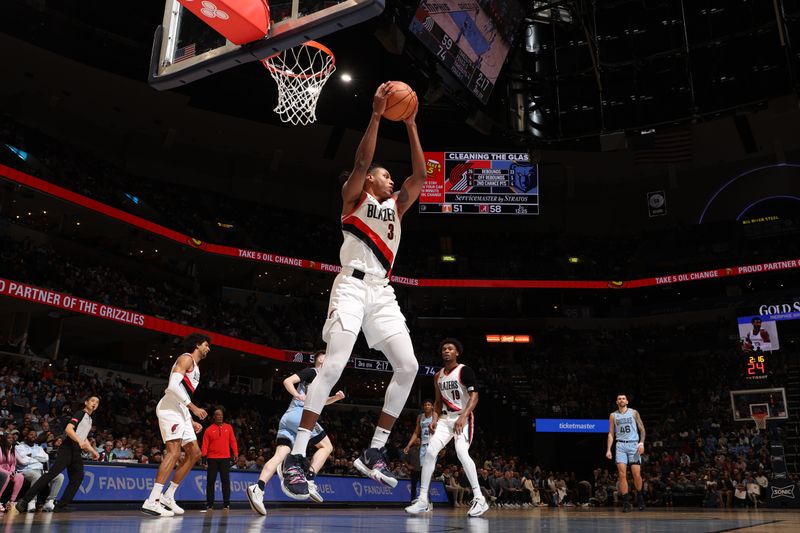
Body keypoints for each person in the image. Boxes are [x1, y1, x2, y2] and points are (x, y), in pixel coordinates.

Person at [279, 81, 426, 500]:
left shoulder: (397, 206)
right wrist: (378, 115)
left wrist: (412, 124)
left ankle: (374, 450)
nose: (389, 176)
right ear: (369, 181)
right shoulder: (353, 200)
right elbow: (362, 159)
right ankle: (297, 457)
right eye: (384, 174)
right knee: (334, 365)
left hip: (383, 292)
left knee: (409, 366)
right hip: (351, 286)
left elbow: (419, 175)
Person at [247, 351, 345, 514]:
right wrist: (296, 395)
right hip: (300, 416)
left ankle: (258, 489)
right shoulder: (313, 372)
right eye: (325, 357)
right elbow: (288, 381)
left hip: (288, 420)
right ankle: (309, 480)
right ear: (319, 360)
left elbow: (320, 403)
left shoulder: (321, 380)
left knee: (279, 456)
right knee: (326, 447)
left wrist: (335, 398)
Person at [406, 338, 489, 517]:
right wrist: (435, 419)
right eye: (444, 349)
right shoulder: (438, 375)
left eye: (450, 349)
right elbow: (437, 402)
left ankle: (479, 498)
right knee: (429, 452)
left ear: (457, 352)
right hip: (444, 419)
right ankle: (422, 500)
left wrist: (464, 416)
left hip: (463, 417)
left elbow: (474, 397)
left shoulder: (464, 370)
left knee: (461, 452)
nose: (446, 351)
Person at [141, 333, 210, 517]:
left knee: (195, 453)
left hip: (181, 411)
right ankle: (152, 500)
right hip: (170, 408)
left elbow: (183, 393)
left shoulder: (196, 368)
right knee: (174, 452)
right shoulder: (186, 359)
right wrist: (193, 408)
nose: (208, 349)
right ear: (197, 345)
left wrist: (189, 417)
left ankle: (168, 496)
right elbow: (172, 387)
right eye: (206, 345)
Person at [16, 396, 100, 513]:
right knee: (51, 474)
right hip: (67, 448)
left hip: (76, 451)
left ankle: (61, 506)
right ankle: (25, 500)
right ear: (86, 402)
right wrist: (79, 441)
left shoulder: (90, 419)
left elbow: (84, 438)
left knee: (77, 478)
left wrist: (93, 451)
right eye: (92, 401)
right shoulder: (80, 414)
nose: (94, 403)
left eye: (97, 402)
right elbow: (69, 429)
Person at [605, 393, 646, 512]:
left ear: (627, 401)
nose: (621, 400)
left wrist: (641, 442)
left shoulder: (633, 412)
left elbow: (642, 429)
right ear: (617, 402)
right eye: (619, 399)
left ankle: (640, 498)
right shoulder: (613, 415)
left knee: (636, 474)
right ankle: (626, 502)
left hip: (633, 444)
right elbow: (611, 433)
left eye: (623, 398)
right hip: (620, 445)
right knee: (622, 475)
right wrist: (608, 449)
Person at [15, 429, 63, 512]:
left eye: (35, 435)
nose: (33, 436)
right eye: (31, 434)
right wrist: (37, 458)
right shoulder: (19, 447)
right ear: (26, 436)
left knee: (59, 476)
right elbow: (23, 462)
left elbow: (46, 458)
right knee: (36, 476)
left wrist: (32, 456)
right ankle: (31, 501)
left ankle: (49, 501)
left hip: (40, 470)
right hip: (26, 470)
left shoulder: (39, 447)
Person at [201, 407, 238, 511]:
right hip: (212, 459)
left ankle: (226, 504)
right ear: (214, 417)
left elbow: (233, 441)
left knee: (225, 482)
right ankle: (210, 504)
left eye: (221, 414)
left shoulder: (229, 427)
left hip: (225, 459)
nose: (220, 416)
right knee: (210, 482)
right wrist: (204, 459)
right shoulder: (208, 430)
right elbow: (205, 445)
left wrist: (235, 453)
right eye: (217, 415)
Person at [403, 399, 436, 502]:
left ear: (432, 407)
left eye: (429, 404)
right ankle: (423, 499)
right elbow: (416, 433)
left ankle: (427, 500)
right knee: (423, 472)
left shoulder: (435, 415)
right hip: (423, 446)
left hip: (432, 444)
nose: (426, 406)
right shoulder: (420, 417)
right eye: (425, 404)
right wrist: (408, 445)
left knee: (428, 471)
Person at [0, 432, 24, 512]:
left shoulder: (12, 449)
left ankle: (11, 502)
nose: (11, 440)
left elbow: (13, 464)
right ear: (4, 440)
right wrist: (9, 473)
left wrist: (12, 472)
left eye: (12, 438)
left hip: (8, 471)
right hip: (2, 471)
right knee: (6, 477)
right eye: (9, 438)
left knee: (20, 477)